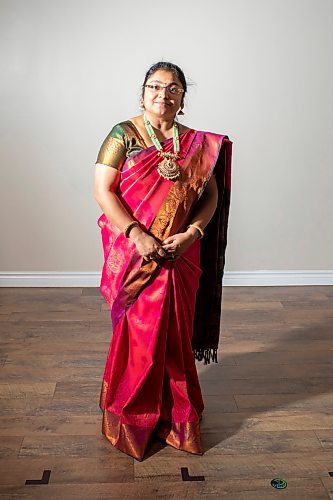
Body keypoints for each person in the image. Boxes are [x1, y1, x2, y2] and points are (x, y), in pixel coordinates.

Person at [93, 61, 232, 461]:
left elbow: (210, 196)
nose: (163, 94)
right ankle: (133, 415)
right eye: (155, 86)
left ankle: (175, 416)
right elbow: (103, 191)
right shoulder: (124, 134)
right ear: (143, 93)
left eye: (173, 89)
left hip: (179, 254)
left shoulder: (195, 143)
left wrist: (192, 234)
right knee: (140, 338)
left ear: (183, 98)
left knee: (175, 336)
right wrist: (137, 235)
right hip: (136, 254)